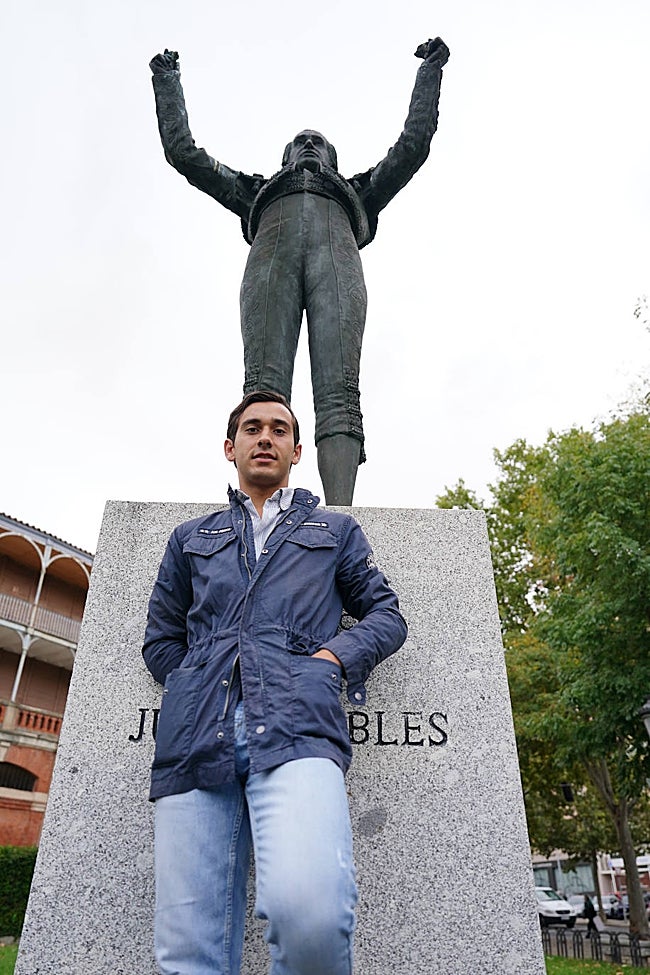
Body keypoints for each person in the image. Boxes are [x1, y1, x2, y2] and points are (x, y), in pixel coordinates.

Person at [142, 390, 408, 975]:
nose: (266, 437)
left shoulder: (334, 531)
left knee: (311, 915)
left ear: (296, 451)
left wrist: (328, 662)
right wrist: (191, 685)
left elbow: (386, 616)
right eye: (253, 428)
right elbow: (160, 641)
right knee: (187, 955)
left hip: (297, 726)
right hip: (195, 739)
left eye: (279, 429)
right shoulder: (189, 538)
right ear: (230, 447)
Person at [149, 38, 450, 505]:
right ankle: (260, 505)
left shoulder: (357, 191)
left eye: (319, 143)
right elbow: (184, 154)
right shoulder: (256, 190)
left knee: (339, 390)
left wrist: (430, 71)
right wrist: (167, 82)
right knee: (262, 391)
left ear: (332, 161)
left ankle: (341, 511)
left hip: (338, 264)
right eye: (299, 143)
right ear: (286, 160)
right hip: (271, 263)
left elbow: (412, 147)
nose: (309, 145)